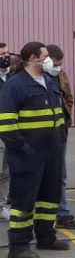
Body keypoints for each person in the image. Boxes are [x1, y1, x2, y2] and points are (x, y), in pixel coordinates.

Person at [0, 42, 70, 257]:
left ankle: (46, 238)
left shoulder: (49, 81)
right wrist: (23, 149)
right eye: (45, 56)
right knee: (24, 201)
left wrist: (59, 140)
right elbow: (6, 123)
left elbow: (57, 114)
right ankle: (19, 247)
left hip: (52, 152)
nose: (48, 60)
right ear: (32, 58)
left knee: (49, 196)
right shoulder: (16, 85)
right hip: (27, 155)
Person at [44, 45, 75, 230]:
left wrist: (65, 119)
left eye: (60, 64)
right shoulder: (34, 79)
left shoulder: (61, 75)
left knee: (60, 175)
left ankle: (62, 214)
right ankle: (39, 218)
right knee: (37, 176)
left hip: (60, 131)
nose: (58, 67)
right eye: (55, 63)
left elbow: (69, 98)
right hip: (39, 135)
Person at [0, 43, 12, 222]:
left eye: (7, 52)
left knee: (5, 172)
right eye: (2, 53)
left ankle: (3, 206)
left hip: (9, 131)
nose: (6, 56)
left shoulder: (12, 76)